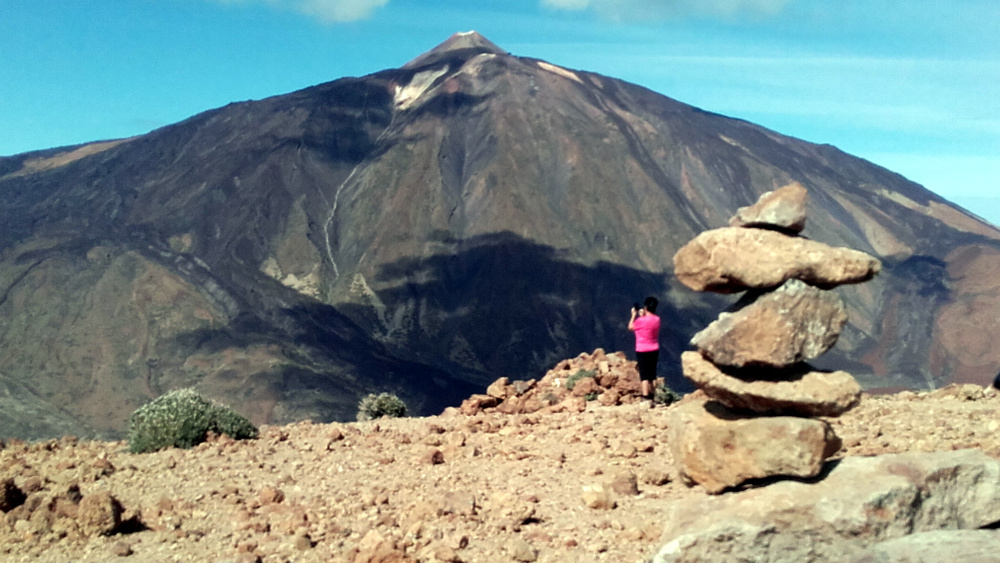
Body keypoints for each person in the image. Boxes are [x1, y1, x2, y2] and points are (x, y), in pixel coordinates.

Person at [628, 296, 660, 403]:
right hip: (654, 349)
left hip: (642, 350)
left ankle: (645, 397)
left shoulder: (640, 321)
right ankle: (653, 395)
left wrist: (634, 315)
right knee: (652, 374)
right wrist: (643, 316)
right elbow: (649, 323)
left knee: (644, 374)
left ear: (646, 307)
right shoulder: (657, 319)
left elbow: (631, 327)